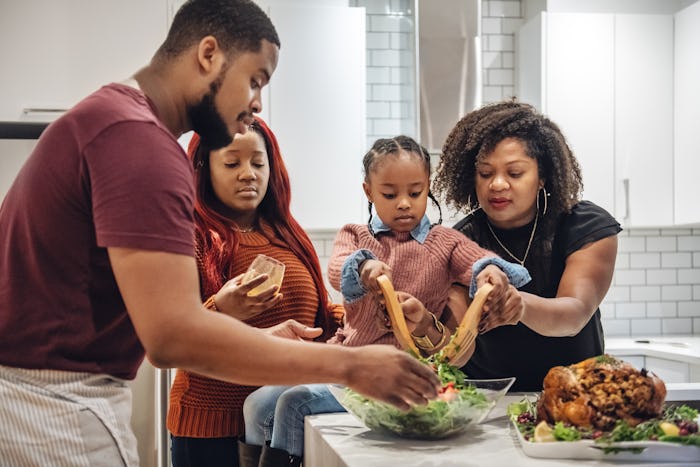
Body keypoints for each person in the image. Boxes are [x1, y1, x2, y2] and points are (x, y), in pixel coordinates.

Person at [0, 1, 441, 465]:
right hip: (52, 404)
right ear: (208, 55)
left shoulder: (112, 119)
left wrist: (279, 341)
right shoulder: (138, 141)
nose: (258, 102)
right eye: (255, 79)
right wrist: (352, 366)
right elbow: (173, 336)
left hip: (41, 396)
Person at [241, 136, 530, 466]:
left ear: (428, 185)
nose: (404, 203)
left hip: (396, 374)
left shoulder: (445, 243)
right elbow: (337, 269)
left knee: (294, 402)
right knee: (258, 404)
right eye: (390, 194)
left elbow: (477, 261)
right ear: (369, 191)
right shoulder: (355, 235)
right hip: (344, 361)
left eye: (415, 192)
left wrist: (490, 272)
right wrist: (364, 266)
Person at [167, 118, 343, 466]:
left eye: (258, 163)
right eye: (232, 163)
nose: (248, 173)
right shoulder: (192, 237)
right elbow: (173, 335)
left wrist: (357, 314)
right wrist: (221, 308)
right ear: (204, 168)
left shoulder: (288, 235)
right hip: (211, 429)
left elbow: (319, 315)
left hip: (281, 423)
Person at [432, 99, 622, 392]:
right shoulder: (459, 243)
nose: (497, 184)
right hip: (486, 405)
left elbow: (574, 314)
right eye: (485, 173)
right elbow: (454, 340)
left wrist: (519, 305)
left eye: (514, 173)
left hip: (574, 400)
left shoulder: (584, 226)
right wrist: (424, 326)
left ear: (542, 176)